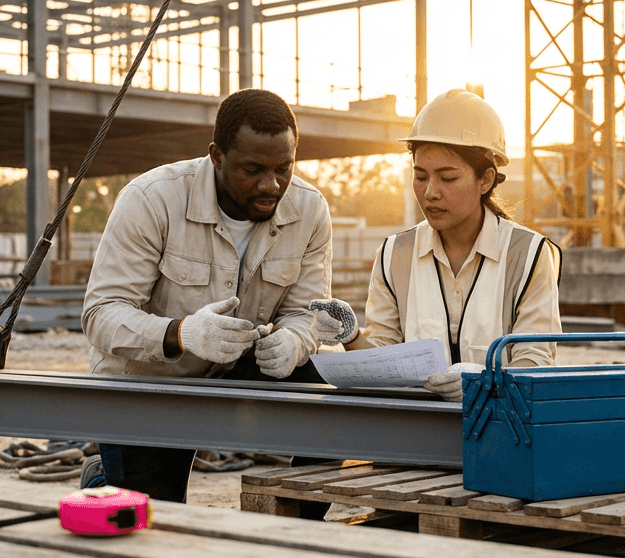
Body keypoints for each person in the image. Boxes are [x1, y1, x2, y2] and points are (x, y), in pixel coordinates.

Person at [79, 88, 332, 504]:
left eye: (283, 169)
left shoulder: (309, 210)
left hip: (243, 369)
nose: (271, 185)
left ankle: (300, 526)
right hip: (151, 382)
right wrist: (182, 334)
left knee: (332, 398)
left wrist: (294, 341)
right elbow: (101, 314)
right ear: (216, 156)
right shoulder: (151, 199)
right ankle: (103, 480)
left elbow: (307, 311)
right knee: (153, 518)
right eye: (252, 170)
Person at [319, 89, 562, 401]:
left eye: (447, 178)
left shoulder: (529, 254)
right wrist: (351, 336)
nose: (430, 192)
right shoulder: (394, 255)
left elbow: (537, 362)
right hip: (415, 432)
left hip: (501, 433)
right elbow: (383, 361)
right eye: (420, 176)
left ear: (485, 180)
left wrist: (485, 381)